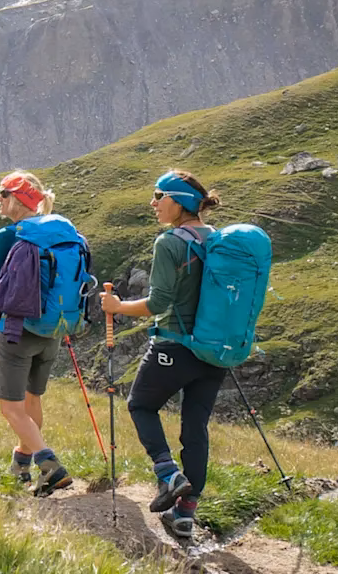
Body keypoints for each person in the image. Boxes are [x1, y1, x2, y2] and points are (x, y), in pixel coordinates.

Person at [100, 169, 226, 541]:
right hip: (215, 349)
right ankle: (185, 514)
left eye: (159, 196)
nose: (152, 203)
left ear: (179, 202)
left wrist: (117, 305)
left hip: (175, 344)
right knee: (195, 426)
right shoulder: (218, 239)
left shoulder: (170, 242)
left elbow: (158, 303)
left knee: (140, 405)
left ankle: (168, 475)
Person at [0, 170, 84, 495]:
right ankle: (21, 463)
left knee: (10, 407)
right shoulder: (59, 230)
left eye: (3, 194)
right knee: (33, 400)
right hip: (51, 329)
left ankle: (49, 466)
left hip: (16, 331)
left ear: (17, 199)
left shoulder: (9, 235)